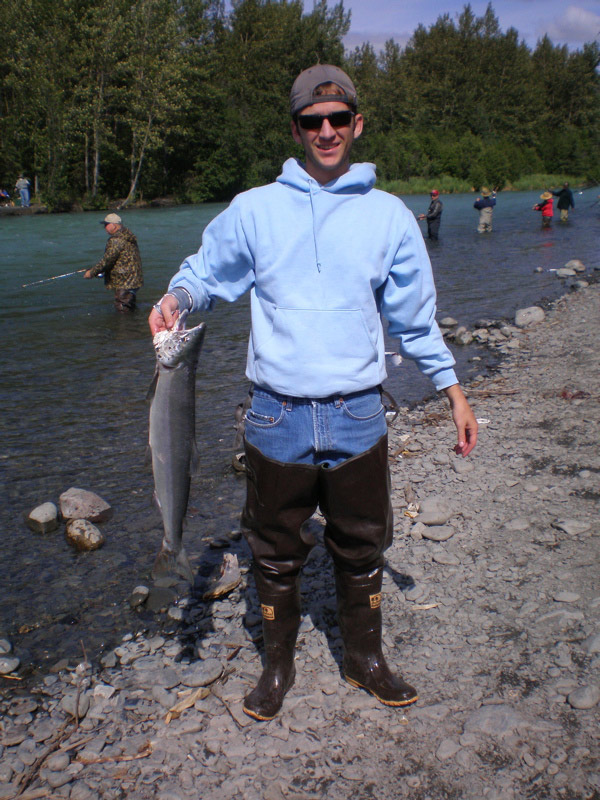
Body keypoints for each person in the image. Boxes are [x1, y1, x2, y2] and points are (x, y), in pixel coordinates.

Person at [149, 64, 478, 722]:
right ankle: (278, 666)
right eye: (311, 121)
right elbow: (207, 272)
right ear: (297, 130)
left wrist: (452, 389)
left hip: (359, 414)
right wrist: (178, 297)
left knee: (362, 543)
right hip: (276, 416)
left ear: (357, 123)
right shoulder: (255, 210)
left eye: (337, 119)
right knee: (273, 552)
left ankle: (365, 659)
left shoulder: (388, 218)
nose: (326, 131)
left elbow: (414, 319)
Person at [84, 213, 143, 311]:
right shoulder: (127, 235)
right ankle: (132, 325)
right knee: (129, 306)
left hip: (124, 281)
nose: (105, 227)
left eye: (106, 225)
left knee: (122, 309)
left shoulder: (116, 240)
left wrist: (91, 272)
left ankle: (125, 326)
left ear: (113, 225)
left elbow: (107, 260)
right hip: (133, 279)